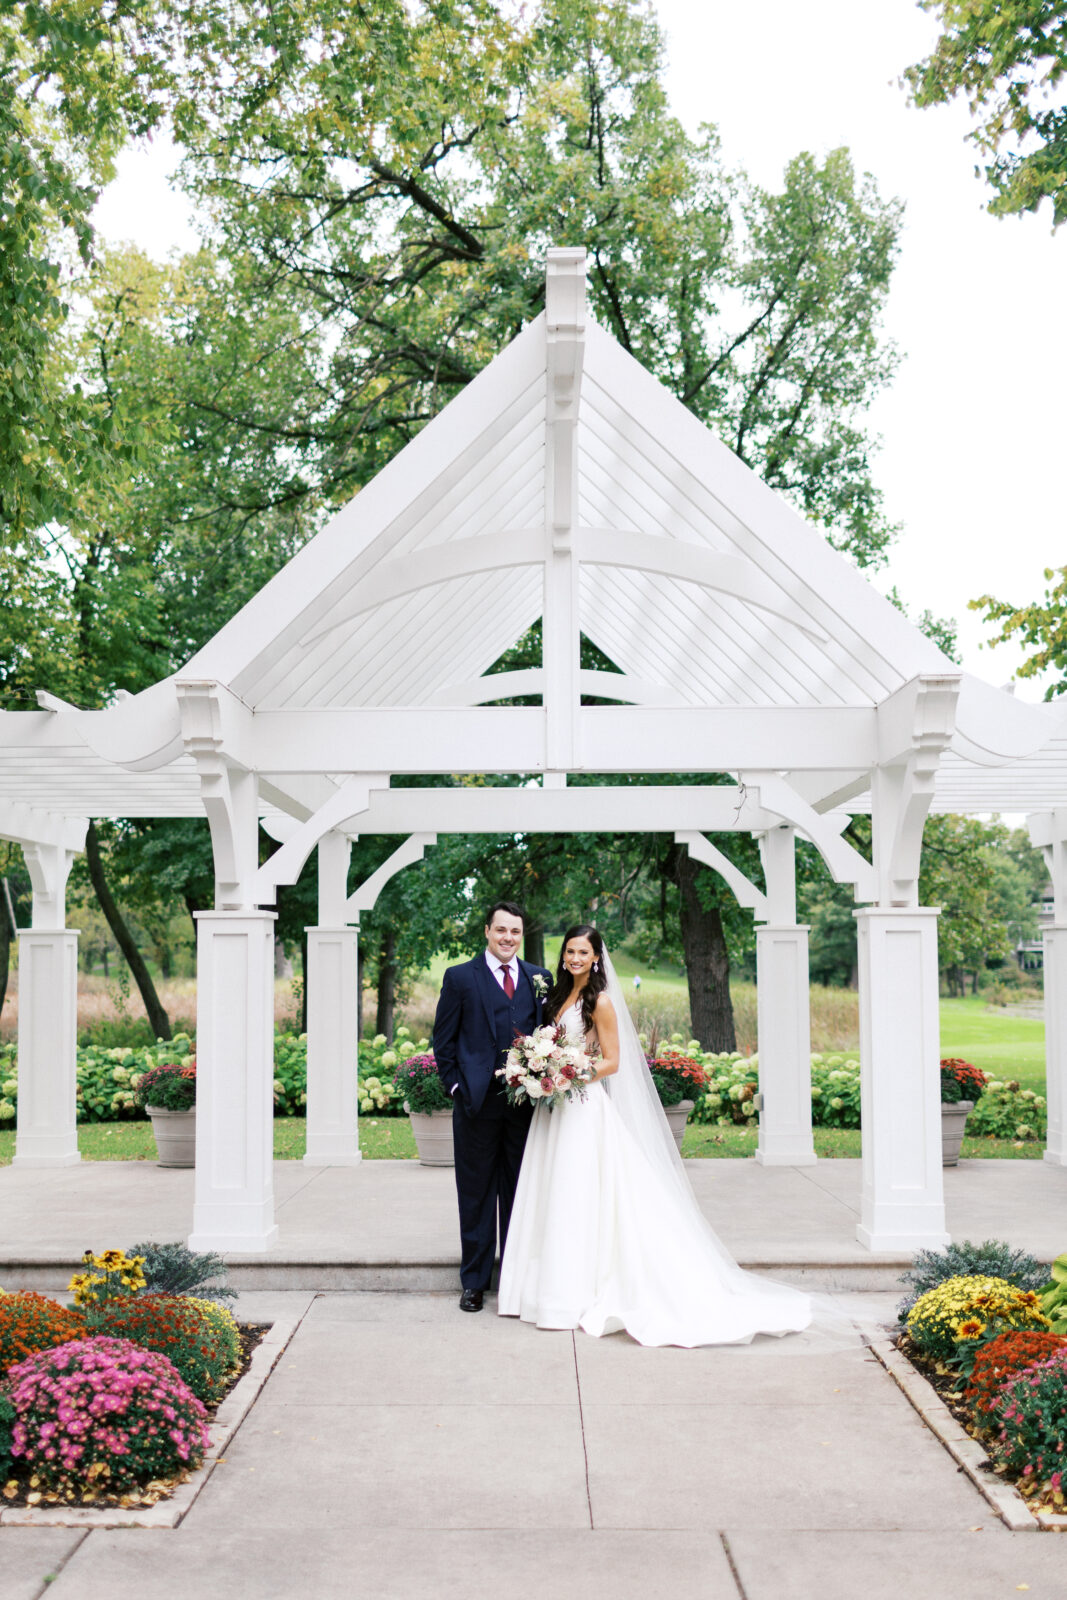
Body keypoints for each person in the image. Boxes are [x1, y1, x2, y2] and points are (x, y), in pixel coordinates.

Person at [498, 924, 813, 1346]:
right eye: (569, 951)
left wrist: (566, 1073)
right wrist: (542, 1070)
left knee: (579, 1193)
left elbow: (611, 1062)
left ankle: (575, 1294)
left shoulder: (602, 1001)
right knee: (554, 1191)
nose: (574, 958)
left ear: (596, 957)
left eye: (582, 952)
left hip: (582, 1106)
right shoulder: (558, 996)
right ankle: (547, 1291)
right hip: (555, 1109)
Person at [432, 902, 553, 1313]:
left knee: (521, 1192)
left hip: (525, 1107)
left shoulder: (540, 978)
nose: (507, 938)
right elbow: (443, 1042)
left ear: (521, 935)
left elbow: (550, 1036)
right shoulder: (460, 977)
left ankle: (518, 1280)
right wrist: (456, 1088)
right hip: (476, 1105)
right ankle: (474, 1282)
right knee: (477, 1194)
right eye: (501, 930)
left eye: (515, 932)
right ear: (487, 931)